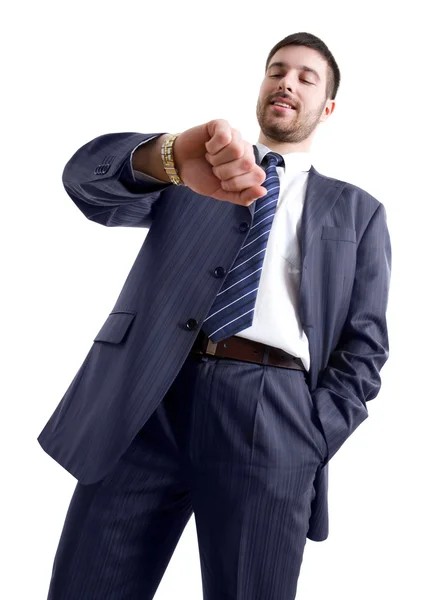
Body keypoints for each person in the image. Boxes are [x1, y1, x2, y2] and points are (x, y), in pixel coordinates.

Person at [38, 31, 391, 599]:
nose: (287, 82)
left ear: (327, 107)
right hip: (148, 397)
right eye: (278, 70)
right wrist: (167, 155)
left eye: (306, 77)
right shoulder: (198, 166)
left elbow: (366, 343)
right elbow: (86, 185)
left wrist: (314, 433)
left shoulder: (356, 211)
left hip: (271, 414)